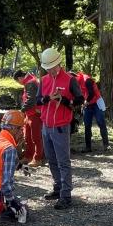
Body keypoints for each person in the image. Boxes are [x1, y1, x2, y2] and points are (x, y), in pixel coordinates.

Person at [37, 47, 84, 210]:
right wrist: (46, 99)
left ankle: (66, 195)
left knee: (63, 161)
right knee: (51, 160)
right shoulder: (44, 80)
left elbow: (80, 100)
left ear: (58, 64)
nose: (49, 71)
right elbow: (37, 101)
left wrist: (64, 100)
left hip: (61, 126)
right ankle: (58, 188)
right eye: (47, 68)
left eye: (51, 67)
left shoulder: (70, 80)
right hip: (46, 125)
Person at [13, 69, 45, 167]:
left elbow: (31, 100)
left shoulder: (30, 83)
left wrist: (21, 111)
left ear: (19, 78)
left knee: (35, 137)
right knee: (27, 137)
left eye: (17, 81)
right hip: (29, 114)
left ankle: (38, 158)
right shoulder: (29, 82)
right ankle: (28, 156)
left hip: (34, 113)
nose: (19, 83)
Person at [75, 71, 110, 153]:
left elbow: (91, 93)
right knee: (87, 125)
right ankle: (88, 147)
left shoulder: (87, 80)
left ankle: (106, 145)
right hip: (87, 105)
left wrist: (86, 102)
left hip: (96, 103)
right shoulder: (76, 83)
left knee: (101, 122)